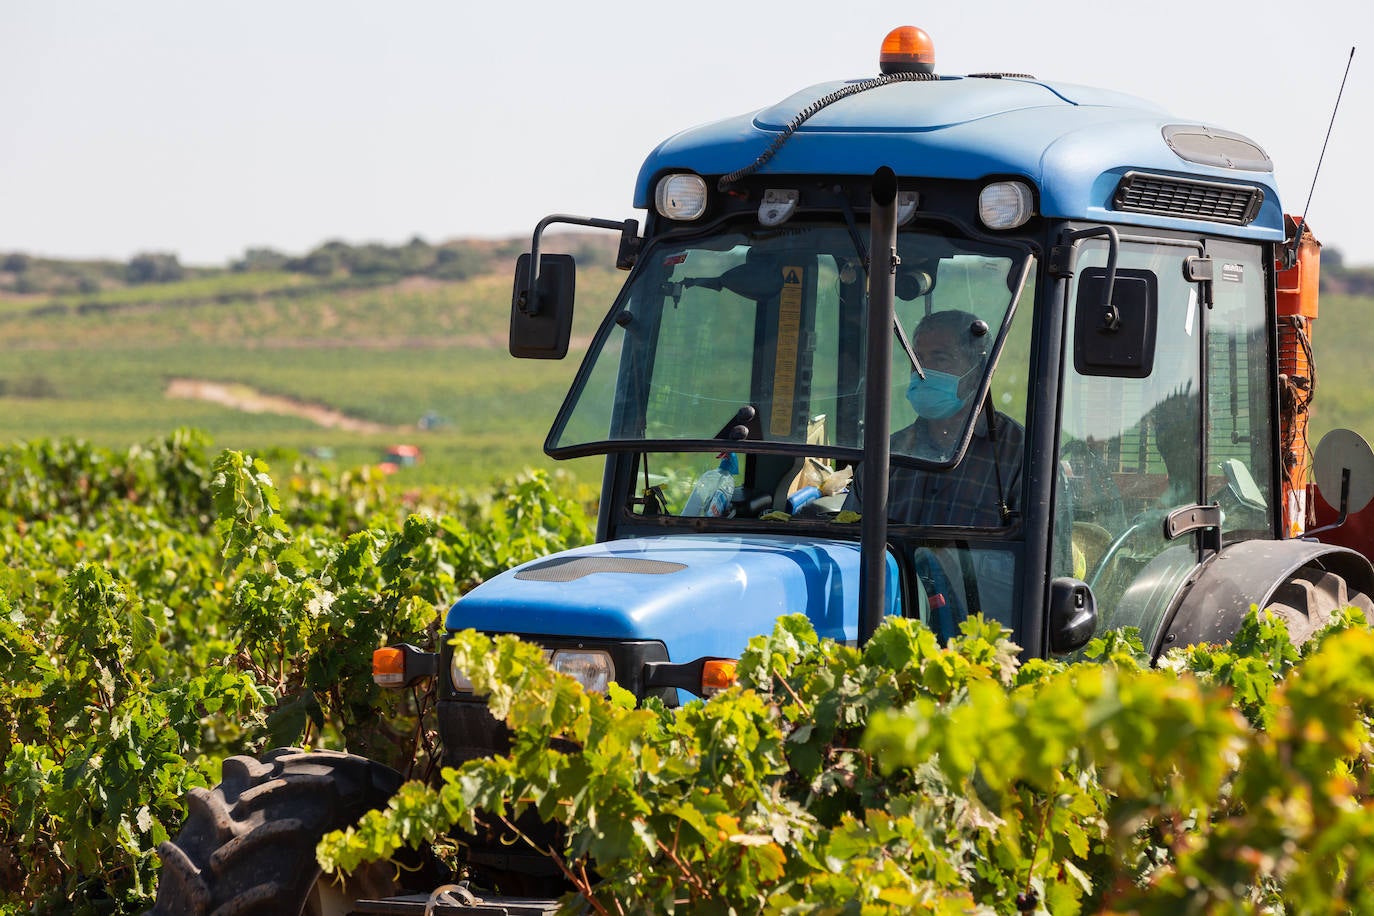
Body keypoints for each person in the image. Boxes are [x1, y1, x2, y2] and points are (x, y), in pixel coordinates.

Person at [843, 309, 1024, 527]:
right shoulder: (888, 454)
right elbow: (850, 535)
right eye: (917, 360)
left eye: (940, 358)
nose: (923, 372)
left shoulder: (1020, 455)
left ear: (978, 371)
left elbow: (1030, 550)